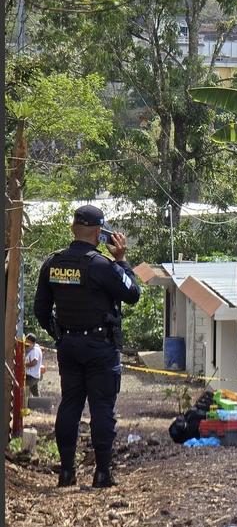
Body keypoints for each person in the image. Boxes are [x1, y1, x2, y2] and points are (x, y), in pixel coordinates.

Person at [34, 205, 140, 488]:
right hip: (100, 347)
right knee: (102, 408)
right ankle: (102, 473)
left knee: (70, 404)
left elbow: (40, 309)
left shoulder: (52, 263)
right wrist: (121, 260)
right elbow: (133, 293)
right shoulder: (102, 266)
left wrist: (58, 334)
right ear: (99, 232)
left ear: (72, 228)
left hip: (68, 345)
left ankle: (66, 471)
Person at [23, 333, 43, 412]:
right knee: (35, 393)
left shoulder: (35, 350)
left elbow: (34, 362)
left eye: (28, 343)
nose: (27, 344)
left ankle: (25, 407)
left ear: (33, 343)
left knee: (23, 389)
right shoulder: (34, 348)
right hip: (35, 375)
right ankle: (42, 408)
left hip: (32, 376)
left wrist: (24, 365)